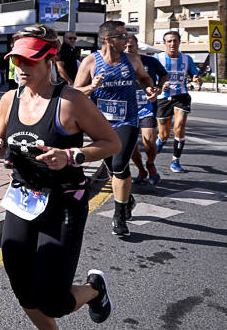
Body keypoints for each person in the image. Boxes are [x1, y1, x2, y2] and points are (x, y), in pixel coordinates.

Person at [0, 25, 121, 330]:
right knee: (22, 288)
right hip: (22, 201)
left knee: (53, 300)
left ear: (49, 60)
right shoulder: (9, 99)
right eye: (16, 61)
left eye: (29, 60)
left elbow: (110, 143)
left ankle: (94, 290)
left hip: (64, 205)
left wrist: (72, 155)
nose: (21, 68)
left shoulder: (71, 101)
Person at [73, 20, 152, 237]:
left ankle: (119, 216)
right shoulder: (90, 62)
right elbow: (76, 92)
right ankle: (127, 198)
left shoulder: (132, 60)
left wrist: (149, 88)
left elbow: (144, 78)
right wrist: (92, 86)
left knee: (118, 164)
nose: (127, 40)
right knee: (113, 169)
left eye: (127, 36)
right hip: (100, 123)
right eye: (122, 36)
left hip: (127, 120)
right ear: (108, 40)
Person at [155, 30, 203, 173]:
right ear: (164, 43)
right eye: (169, 41)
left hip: (181, 95)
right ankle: (161, 141)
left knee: (180, 126)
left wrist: (197, 79)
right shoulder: (158, 58)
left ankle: (175, 161)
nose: (172, 43)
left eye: (175, 40)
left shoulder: (187, 59)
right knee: (164, 134)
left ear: (179, 42)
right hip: (163, 98)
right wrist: (159, 84)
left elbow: (195, 74)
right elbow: (149, 78)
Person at [126, 35, 167, 186]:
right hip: (127, 109)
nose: (128, 49)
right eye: (125, 46)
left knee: (149, 141)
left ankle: (150, 164)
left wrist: (159, 88)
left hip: (147, 106)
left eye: (131, 46)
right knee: (130, 145)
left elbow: (164, 75)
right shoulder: (118, 63)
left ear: (137, 47)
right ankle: (141, 170)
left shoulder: (150, 61)